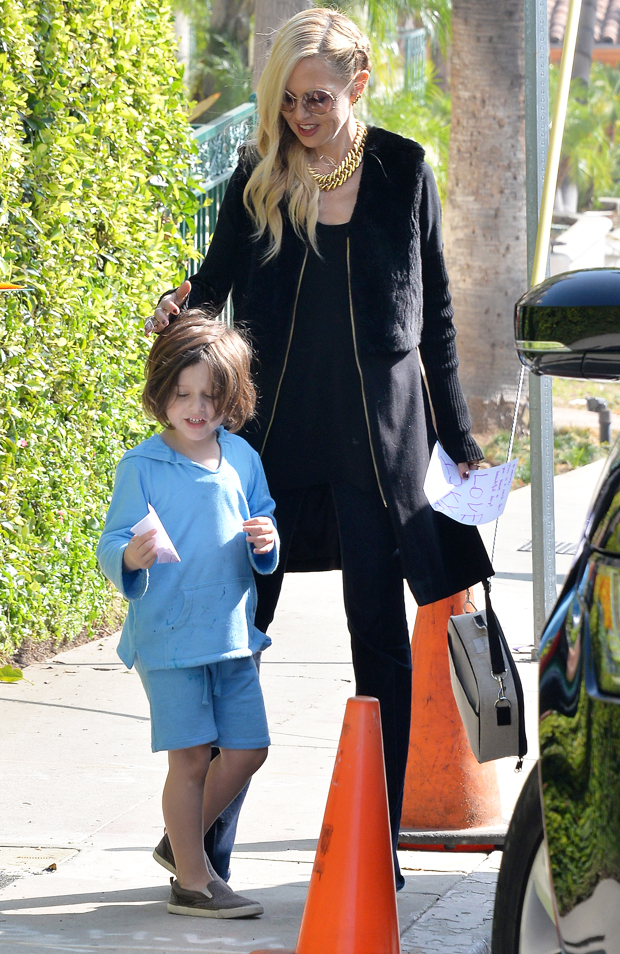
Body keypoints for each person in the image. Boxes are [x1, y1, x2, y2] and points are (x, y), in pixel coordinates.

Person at [147, 8, 493, 890]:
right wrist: (177, 310)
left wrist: (460, 442)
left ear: (359, 85)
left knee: (378, 641)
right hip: (271, 448)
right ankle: (202, 839)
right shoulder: (260, 176)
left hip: (381, 453)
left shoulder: (404, 170)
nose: (303, 116)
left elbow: (438, 320)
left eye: (319, 98)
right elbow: (212, 287)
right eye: (291, 100)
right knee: (237, 633)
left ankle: (376, 849)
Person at [97, 312, 279, 918]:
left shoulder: (243, 460)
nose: (196, 408)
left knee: (249, 749)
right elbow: (112, 542)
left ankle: (180, 843)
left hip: (231, 634)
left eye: (210, 395)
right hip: (169, 636)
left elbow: (266, 529)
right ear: (161, 393)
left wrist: (266, 541)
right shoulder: (141, 466)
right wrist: (129, 553)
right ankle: (194, 884)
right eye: (183, 395)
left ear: (231, 397)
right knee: (192, 757)